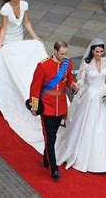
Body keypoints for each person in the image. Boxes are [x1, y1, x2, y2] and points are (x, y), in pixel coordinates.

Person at [0, 0, 46, 152]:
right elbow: (4, 28)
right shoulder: (6, 9)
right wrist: (0, 44)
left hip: (20, 38)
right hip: (9, 40)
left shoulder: (24, 5)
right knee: (11, 65)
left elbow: (27, 22)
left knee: (23, 66)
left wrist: (35, 36)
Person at [55, 38, 106, 173]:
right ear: (92, 51)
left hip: (103, 96)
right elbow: (81, 80)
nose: (99, 54)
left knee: (103, 124)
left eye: (101, 51)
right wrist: (75, 86)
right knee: (89, 124)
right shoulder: (86, 64)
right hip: (90, 97)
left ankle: (102, 157)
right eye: (97, 51)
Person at [28, 41, 79, 180]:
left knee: (53, 136)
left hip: (60, 106)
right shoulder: (43, 66)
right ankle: (54, 169)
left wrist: (73, 85)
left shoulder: (67, 63)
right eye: (62, 53)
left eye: (65, 53)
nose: (64, 56)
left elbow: (69, 79)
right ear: (55, 51)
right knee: (50, 138)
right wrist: (34, 106)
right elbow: (35, 87)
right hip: (47, 107)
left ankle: (46, 157)